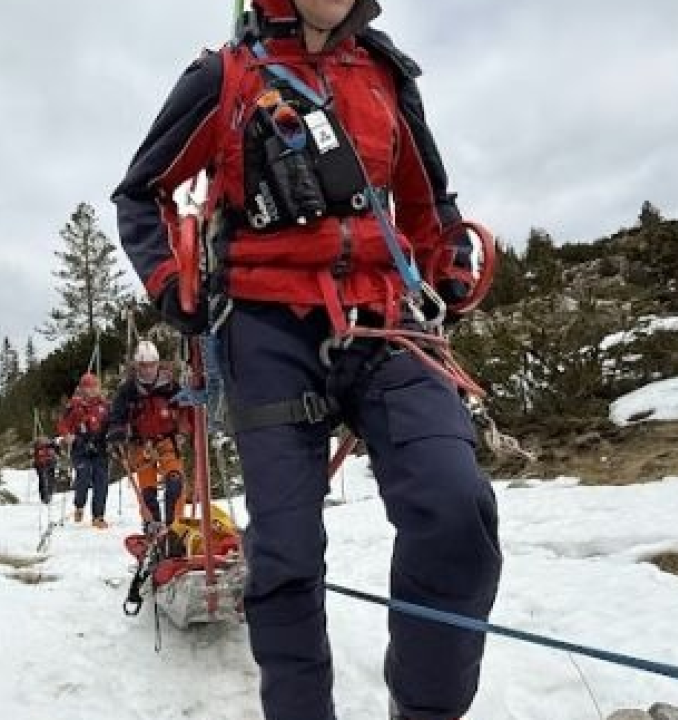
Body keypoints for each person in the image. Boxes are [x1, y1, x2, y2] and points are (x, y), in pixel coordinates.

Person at [111, 1, 502, 719]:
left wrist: (448, 259)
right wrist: (173, 283)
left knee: (458, 513)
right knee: (286, 558)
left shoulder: (385, 74)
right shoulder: (221, 78)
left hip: (386, 321)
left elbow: (427, 201)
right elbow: (141, 196)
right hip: (266, 328)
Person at [106, 340, 187, 534]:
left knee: (175, 482)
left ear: (158, 364)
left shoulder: (170, 386)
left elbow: (185, 408)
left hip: (168, 441)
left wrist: (187, 428)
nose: (148, 370)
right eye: (144, 365)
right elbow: (116, 416)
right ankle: (152, 525)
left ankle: (175, 525)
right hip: (141, 445)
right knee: (148, 491)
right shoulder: (128, 390)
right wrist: (116, 432)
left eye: (152, 365)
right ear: (137, 366)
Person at [56, 373, 111, 529]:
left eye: (95, 386)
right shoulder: (75, 407)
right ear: (82, 389)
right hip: (81, 447)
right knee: (83, 476)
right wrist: (67, 435)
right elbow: (62, 424)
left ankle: (98, 516)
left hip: (100, 447)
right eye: (88, 387)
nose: (92, 390)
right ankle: (79, 505)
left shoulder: (105, 406)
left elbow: (112, 423)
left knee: (101, 481)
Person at [30, 435, 59, 505]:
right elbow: (32, 454)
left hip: (49, 464)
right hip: (41, 465)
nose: (44, 441)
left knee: (49, 479)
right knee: (43, 480)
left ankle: (48, 495)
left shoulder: (52, 445)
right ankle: (45, 497)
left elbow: (57, 451)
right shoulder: (37, 446)